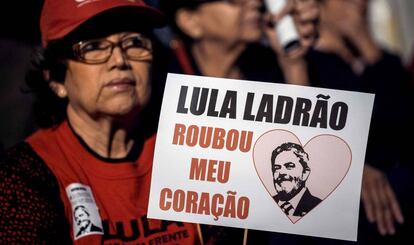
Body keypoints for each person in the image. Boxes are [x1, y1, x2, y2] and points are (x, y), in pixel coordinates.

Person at [0, 0, 200, 244]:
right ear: (55, 79)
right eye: (93, 46)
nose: (119, 60)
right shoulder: (22, 178)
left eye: (135, 42)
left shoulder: (195, 148)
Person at [271, 142, 321, 217]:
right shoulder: (266, 202)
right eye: (277, 168)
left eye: (289, 166)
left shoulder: (318, 207)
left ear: (305, 173)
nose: (281, 172)